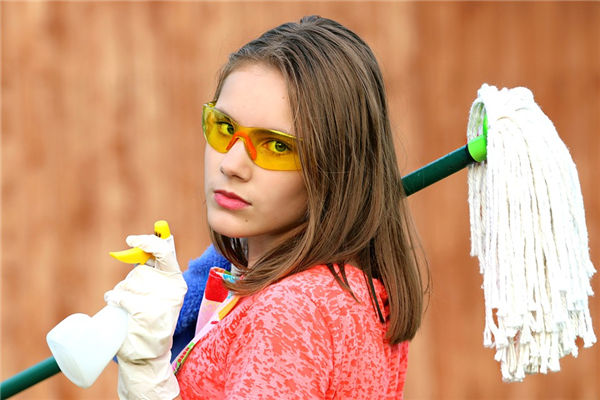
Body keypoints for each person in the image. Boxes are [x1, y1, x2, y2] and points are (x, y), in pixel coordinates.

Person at [104, 15, 426, 400]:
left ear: (335, 168)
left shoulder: (290, 314)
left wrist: (146, 384)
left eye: (276, 145)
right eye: (224, 128)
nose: (231, 164)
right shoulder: (351, 290)